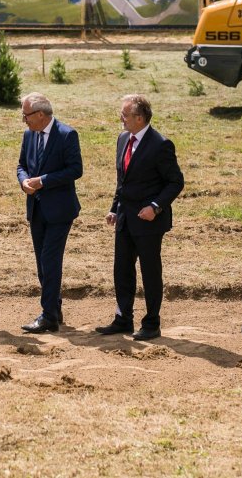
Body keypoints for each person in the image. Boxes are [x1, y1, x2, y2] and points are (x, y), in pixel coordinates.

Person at [97, 94, 183, 341]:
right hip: (125, 217)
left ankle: (152, 323)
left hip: (148, 221)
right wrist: (114, 207)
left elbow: (176, 182)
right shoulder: (123, 138)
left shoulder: (160, 145)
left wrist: (155, 206)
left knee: (150, 271)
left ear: (140, 117)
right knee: (122, 269)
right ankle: (123, 318)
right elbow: (121, 180)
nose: (120, 119)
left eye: (124, 115)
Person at [16, 93, 83, 334]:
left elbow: (76, 169)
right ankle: (54, 309)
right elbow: (21, 165)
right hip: (36, 209)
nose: (24, 119)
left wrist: (43, 181)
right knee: (42, 265)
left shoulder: (67, 135)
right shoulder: (28, 135)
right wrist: (24, 181)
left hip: (60, 210)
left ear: (41, 114)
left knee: (50, 260)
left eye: (26, 115)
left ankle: (48, 316)